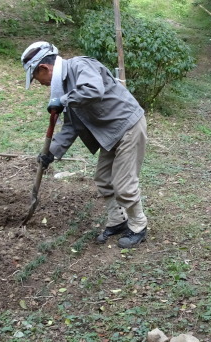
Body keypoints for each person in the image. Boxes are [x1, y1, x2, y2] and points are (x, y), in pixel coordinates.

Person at [20, 41, 148, 248]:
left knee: (124, 184)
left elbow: (93, 90)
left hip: (128, 126)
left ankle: (138, 225)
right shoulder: (63, 88)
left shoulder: (79, 66)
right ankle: (118, 221)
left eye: (36, 78)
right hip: (110, 132)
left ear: (44, 68)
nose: (40, 83)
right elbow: (72, 125)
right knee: (104, 179)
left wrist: (63, 100)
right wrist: (51, 152)